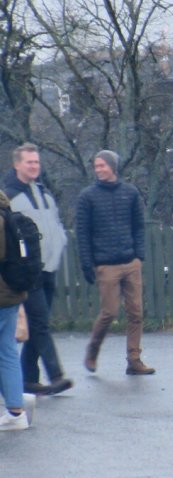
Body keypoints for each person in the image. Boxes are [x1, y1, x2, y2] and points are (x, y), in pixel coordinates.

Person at [4, 144, 73, 395]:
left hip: (48, 267)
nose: (34, 166)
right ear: (17, 164)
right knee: (41, 322)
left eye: (36, 162)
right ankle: (56, 375)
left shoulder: (44, 193)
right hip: (27, 271)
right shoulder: (10, 194)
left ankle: (28, 378)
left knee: (36, 324)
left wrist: (61, 242)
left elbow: (56, 225)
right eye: (29, 162)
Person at [77, 150, 154, 375]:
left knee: (136, 313)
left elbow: (139, 225)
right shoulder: (87, 197)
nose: (99, 169)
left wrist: (138, 255)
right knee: (109, 312)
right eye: (96, 166)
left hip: (130, 262)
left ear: (113, 166)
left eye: (103, 165)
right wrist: (87, 264)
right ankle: (93, 350)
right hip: (105, 264)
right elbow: (83, 234)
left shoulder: (130, 193)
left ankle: (134, 359)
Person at [0, 190, 31, 430]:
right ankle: (16, 410)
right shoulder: (7, 215)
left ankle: (15, 408)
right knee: (8, 352)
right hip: (11, 293)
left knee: (7, 352)